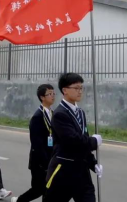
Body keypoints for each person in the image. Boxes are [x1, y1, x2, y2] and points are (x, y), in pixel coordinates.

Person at [43, 73, 103, 202]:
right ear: (65, 90)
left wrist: (93, 163)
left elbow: (83, 140)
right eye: (76, 88)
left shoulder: (80, 112)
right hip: (63, 172)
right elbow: (73, 140)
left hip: (82, 173)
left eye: (81, 88)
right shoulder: (60, 114)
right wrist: (94, 141)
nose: (80, 91)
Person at [11, 84, 56, 202]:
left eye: (54, 93)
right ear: (42, 97)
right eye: (49, 94)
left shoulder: (53, 113)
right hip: (40, 162)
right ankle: (19, 200)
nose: (53, 96)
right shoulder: (37, 117)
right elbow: (37, 144)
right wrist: (46, 162)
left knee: (49, 189)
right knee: (39, 188)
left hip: (51, 158)